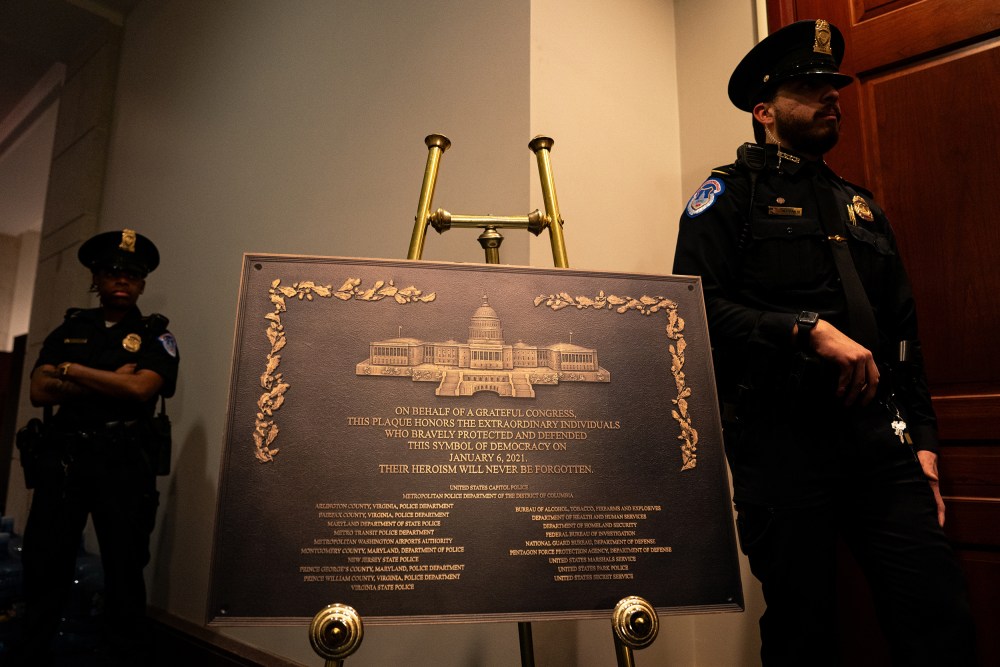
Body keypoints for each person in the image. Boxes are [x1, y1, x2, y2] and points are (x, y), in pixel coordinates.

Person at [673, 19, 977, 666]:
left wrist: (922, 441)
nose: (831, 96)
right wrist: (804, 329)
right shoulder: (727, 197)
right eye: (810, 87)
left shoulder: (857, 205)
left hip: (879, 444)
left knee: (937, 614)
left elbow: (903, 337)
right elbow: (695, 309)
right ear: (765, 111)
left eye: (833, 87)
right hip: (782, 446)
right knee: (803, 632)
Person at [10, 229, 179, 666]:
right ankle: (32, 653)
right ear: (96, 279)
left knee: (125, 568)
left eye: (132, 275)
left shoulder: (155, 336)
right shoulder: (70, 328)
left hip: (124, 463)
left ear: (142, 283)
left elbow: (141, 390)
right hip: (65, 460)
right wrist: (108, 379)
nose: (122, 280)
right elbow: (39, 391)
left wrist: (71, 372)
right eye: (111, 272)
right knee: (46, 564)